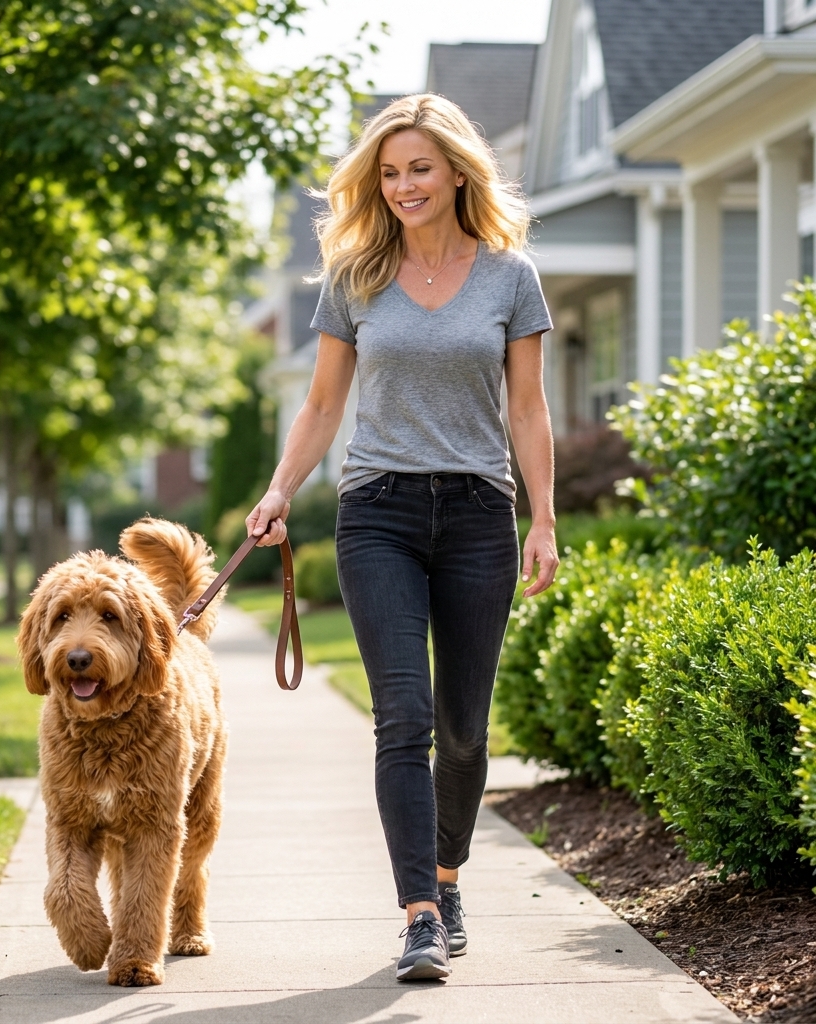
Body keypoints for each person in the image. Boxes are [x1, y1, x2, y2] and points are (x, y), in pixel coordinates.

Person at [246, 94, 559, 981]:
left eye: (419, 167)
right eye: (388, 173)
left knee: (462, 730)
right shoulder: (357, 277)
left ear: (459, 169)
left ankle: (448, 877)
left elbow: (530, 408)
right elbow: (320, 405)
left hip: (475, 516)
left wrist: (542, 516)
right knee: (405, 719)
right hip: (376, 511)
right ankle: (420, 912)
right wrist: (277, 492)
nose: (403, 186)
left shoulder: (510, 276)